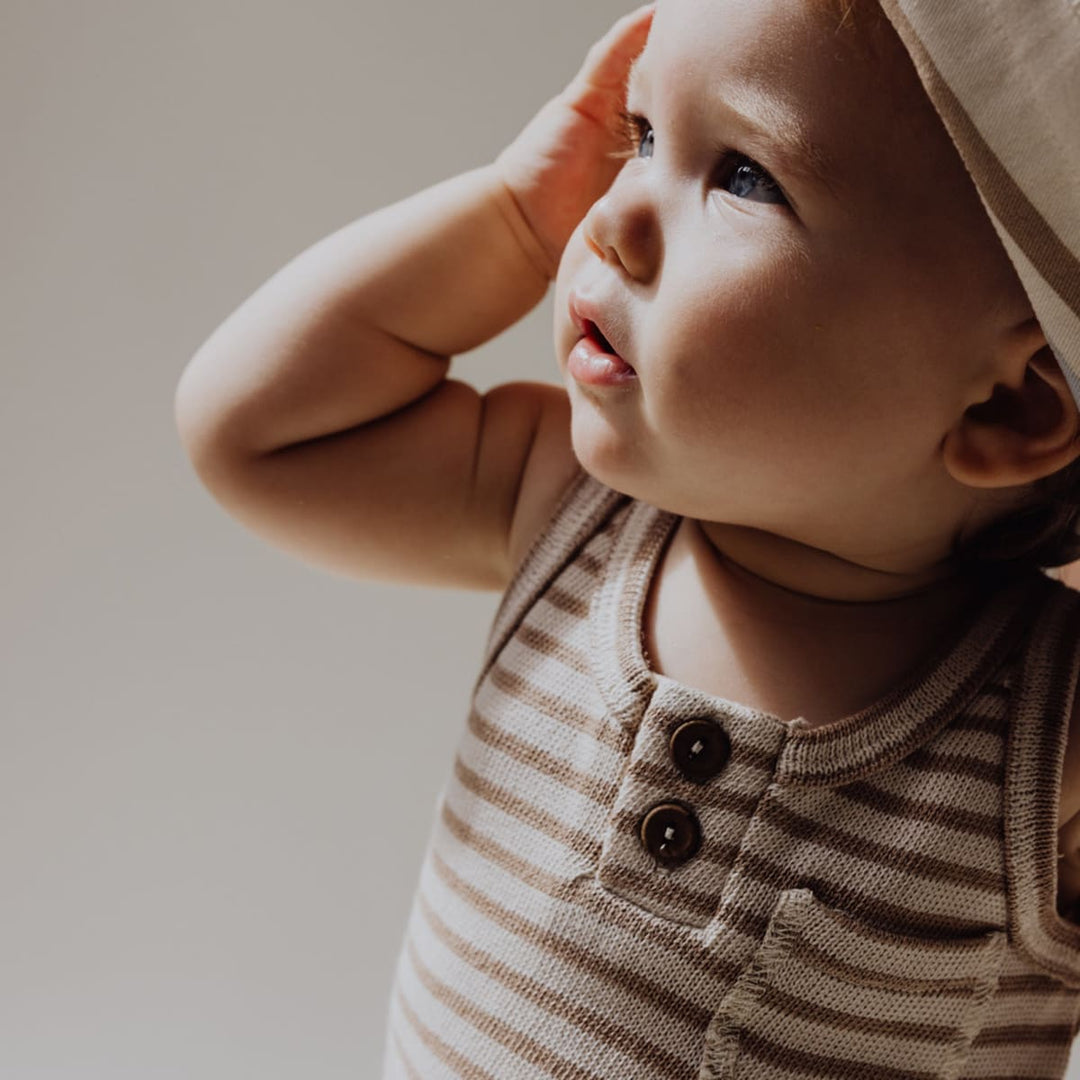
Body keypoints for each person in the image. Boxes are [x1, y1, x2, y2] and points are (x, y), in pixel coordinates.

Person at [173, 0, 1080, 1073]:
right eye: (641, 137)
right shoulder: (560, 506)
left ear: (1007, 409)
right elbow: (258, 433)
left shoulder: (1049, 725)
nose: (611, 220)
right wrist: (513, 216)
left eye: (743, 175)